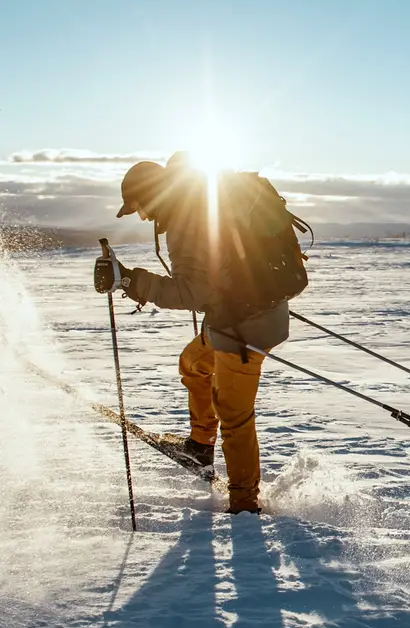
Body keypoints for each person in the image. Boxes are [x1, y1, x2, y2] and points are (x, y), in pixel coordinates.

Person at [99, 157, 290, 514]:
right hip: (238, 317)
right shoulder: (196, 207)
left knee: (234, 414)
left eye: (138, 207)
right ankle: (200, 447)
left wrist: (129, 281)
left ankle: (245, 502)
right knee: (194, 363)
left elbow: (194, 293)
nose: (141, 216)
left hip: (244, 325)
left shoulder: (188, 221)